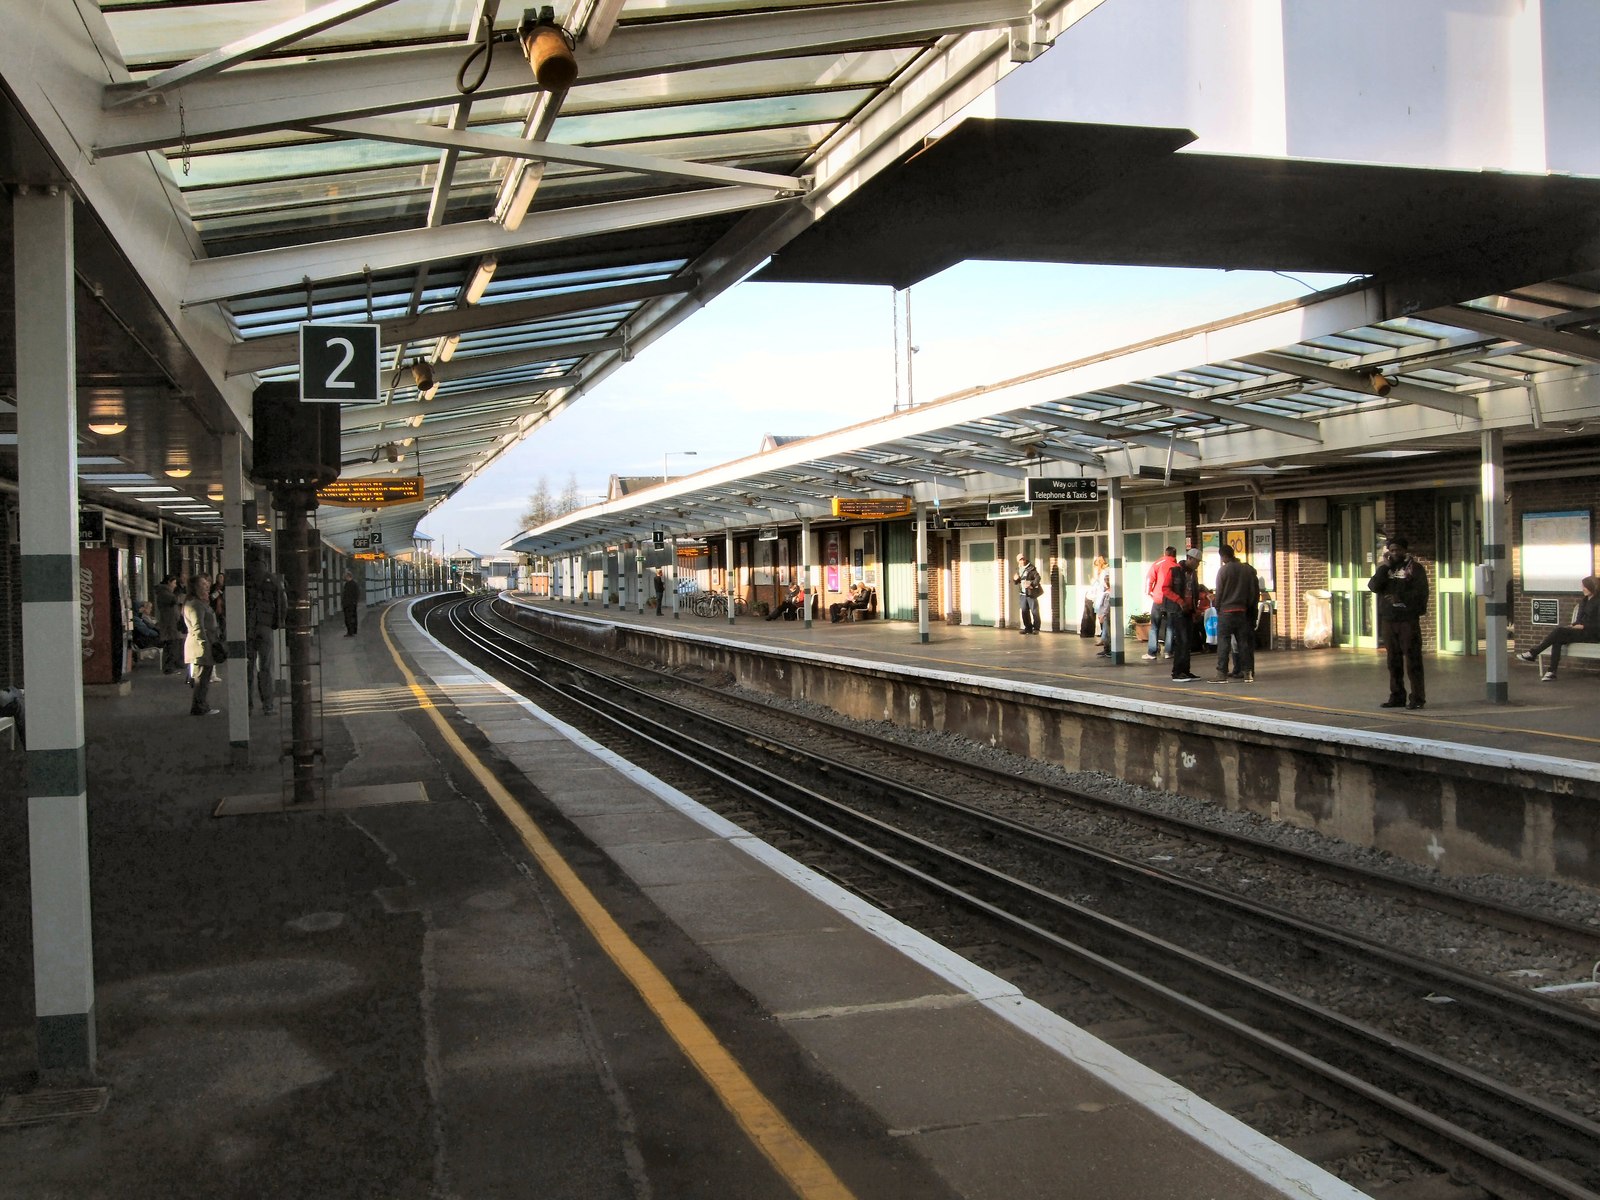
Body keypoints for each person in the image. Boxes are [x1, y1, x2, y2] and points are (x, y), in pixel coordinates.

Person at [1369, 536, 1429, 709]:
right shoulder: (1385, 569)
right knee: (1393, 660)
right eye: (1392, 550)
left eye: (1398, 550)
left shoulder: (1415, 569)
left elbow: (1421, 592)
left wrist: (1400, 597)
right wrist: (1385, 567)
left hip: (1407, 620)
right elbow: (1373, 586)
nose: (1395, 553)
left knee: (1412, 659)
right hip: (1389, 619)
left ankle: (1417, 698)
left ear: (1405, 551)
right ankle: (1397, 696)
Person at [1517, 576, 1599, 681]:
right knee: (1558, 638)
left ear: (1591, 587)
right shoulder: (1584, 601)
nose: (1582, 589)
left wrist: (1583, 626)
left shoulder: (1598, 601)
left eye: (1585, 587)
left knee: (1559, 633)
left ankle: (1534, 654)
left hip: (1593, 633)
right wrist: (1573, 625)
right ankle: (1551, 671)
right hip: (1580, 631)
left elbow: (1597, 624)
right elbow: (1579, 620)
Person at [1212, 544, 1260, 683]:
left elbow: (1219, 593)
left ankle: (1221, 674)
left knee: (1223, 643)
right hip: (1242, 612)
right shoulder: (1247, 570)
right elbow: (1252, 593)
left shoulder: (1223, 571)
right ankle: (1247, 673)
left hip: (1226, 612)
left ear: (1223, 556)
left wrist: (1218, 606)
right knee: (1244, 644)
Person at [246, 558, 287, 714]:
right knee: (265, 667)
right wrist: (277, 622)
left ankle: (247, 706)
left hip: (247, 628)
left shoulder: (243, 577)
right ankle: (268, 705)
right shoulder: (272, 579)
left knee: (247, 667)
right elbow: (283, 602)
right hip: (265, 627)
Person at [183, 574, 222, 716]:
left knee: (204, 678)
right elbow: (198, 627)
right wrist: (205, 645)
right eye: (203, 584)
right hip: (200, 647)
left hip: (206, 643)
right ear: (195, 588)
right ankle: (199, 707)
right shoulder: (195, 605)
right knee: (201, 679)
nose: (206, 586)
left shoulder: (200, 603)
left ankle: (202, 705)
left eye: (206, 584)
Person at [1164, 547, 1200, 681]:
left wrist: (1195, 610)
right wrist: (1179, 601)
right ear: (1189, 559)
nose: (1198, 564)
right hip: (1178, 610)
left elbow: (1194, 592)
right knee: (1182, 641)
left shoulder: (1193, 574)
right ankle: (1177, 672)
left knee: (1187, 642)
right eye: (1196, 561)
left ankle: (1186, 670)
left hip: (1189, 611)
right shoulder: (1175, 571)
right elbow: (1165, 589)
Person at [1143, 547, 1177, 660]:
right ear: (1175, 555)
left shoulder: (1158, 563)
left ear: (1165, 553)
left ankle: (1152, 652)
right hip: (1171, 600)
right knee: (1170, 626)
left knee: (1154, 626)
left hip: (1158, 598)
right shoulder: (1177, 567)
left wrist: (1149, 592)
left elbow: (1150, 578)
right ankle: (1169, 651)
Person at [154, 573, 183, 674]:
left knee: (174, 643)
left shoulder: (166, 592)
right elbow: (173, 600)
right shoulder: (163, 592)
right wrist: (178, 593)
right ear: (169, 582)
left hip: (172, 622)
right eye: (174, 583)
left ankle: (173, 665)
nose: (175, 585)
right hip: (169, 623)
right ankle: (169, 667)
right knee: (171, 644)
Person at [1086, 555, 1113, 657]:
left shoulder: (1105, 573)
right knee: (1105, 625)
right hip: (1100, 600)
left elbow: (1103, 587)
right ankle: (1105, 644)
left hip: (1104, 600)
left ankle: (1107, 648)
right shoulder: (1103, 573)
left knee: (1106, 624)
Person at [1012, 553, 1042, 635]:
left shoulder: (1031, 568)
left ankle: (1036, 628)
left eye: (1023, 559)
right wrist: (1015, 579)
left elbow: (1038, 577)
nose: (1022, 561)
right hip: (1022, 594)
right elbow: (1017, 581)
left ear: (1025, 559)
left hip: (1030, 593)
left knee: (1034, 611)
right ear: (1018, 561)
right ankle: (1028, 628)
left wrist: (1032, 584)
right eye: (1020, 560)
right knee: (1024, 611)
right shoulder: (1019, 569)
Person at [342, 570, 361, 636]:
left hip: (350, 604)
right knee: (349, 618)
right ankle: (351, 631)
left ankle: (351, 631)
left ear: (348, 576)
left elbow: (356, 594)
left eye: (345, 576)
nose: (345, 578)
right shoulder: (348, 584)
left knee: (350, 618)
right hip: (348, 604)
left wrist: (354, 602)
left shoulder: (352, 584)